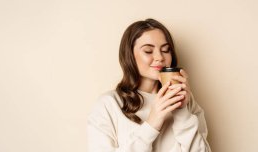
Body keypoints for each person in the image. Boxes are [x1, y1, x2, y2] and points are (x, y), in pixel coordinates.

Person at [87, 18, 211, 152]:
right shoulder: (109, 104)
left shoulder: (186, 99)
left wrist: (181, 112)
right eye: (148, 51)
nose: (160, 57)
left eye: (165, 50)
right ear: (129, 55)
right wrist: (151, 125)